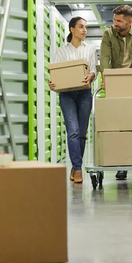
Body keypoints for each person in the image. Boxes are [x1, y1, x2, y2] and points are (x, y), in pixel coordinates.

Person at [99, 5, 132, 180]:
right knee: (118, 125)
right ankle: (121, 164)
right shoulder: (108, 34)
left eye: (119, 21)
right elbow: (104, 58)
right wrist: (105, 80)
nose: (115, 23)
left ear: (130, 21)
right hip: (116, 80)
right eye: (114, 20)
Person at [49, 16, 97, 183]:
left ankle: (75, 165)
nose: (84, 30)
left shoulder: (90, 49)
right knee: (73, 132)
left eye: (86, 27)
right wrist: (52, 82)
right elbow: (56, 73)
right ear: (72, 29)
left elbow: (93, 71)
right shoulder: (62, 51)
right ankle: (78, 169)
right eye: (81, 27)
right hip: (67, 95)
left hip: (84, 94)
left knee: (82, 134)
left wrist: (90, 76)